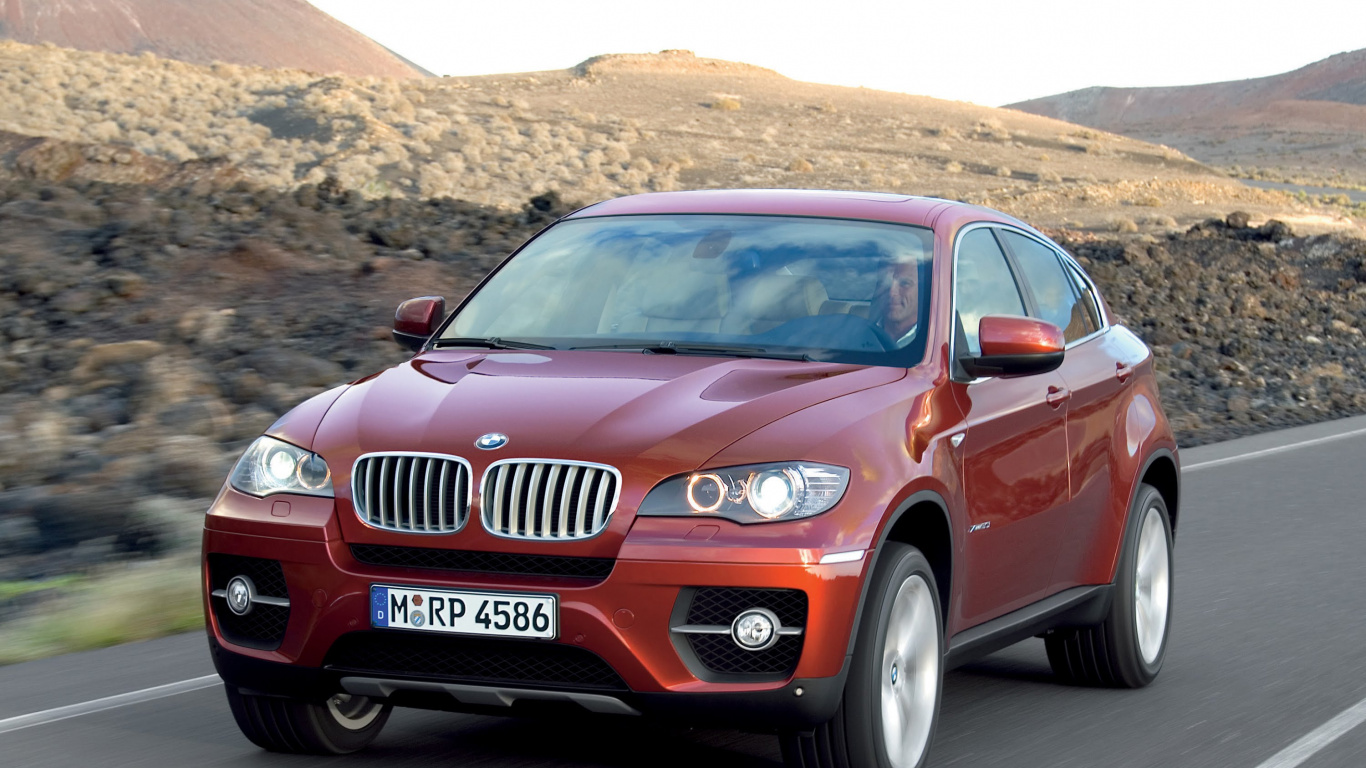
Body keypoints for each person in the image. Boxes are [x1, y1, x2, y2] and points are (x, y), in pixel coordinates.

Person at [870, 251, 922, 347]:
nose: (891, 292)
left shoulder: (934, 341)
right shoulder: (860, 336)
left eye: (904, 283)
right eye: (885, 283)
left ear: (922, 290)